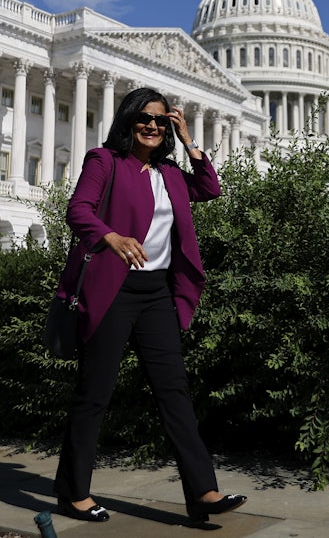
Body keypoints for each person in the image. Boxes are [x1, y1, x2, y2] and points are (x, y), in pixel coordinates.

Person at [52, 87, 247, 525]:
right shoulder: (105, 161)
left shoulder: (172, 173)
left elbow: (210, 188)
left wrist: (189, 139)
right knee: (94, 393)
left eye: (161, 120)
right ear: (128, 121)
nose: (153, 126)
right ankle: (72, 492)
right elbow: (78, 209)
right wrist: (111, 237)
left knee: (174, 393)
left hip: (157, 292)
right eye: (145, 118)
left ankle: (203, 492)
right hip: (113, 291)